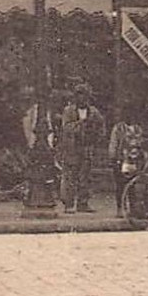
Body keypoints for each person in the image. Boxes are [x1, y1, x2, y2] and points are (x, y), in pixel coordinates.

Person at [56, 82, 106, 213]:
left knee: (85, 177)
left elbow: (101, 127)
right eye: (79, 95)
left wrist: (96, 135)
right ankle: (69, 204)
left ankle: (83, 203)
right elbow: (66, 127)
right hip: (72, 148)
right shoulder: (68, 111)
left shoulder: (94, 112)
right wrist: (81, 124)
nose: (82, 99)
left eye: (85, 96)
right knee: (70, 177)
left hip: (87, 148)